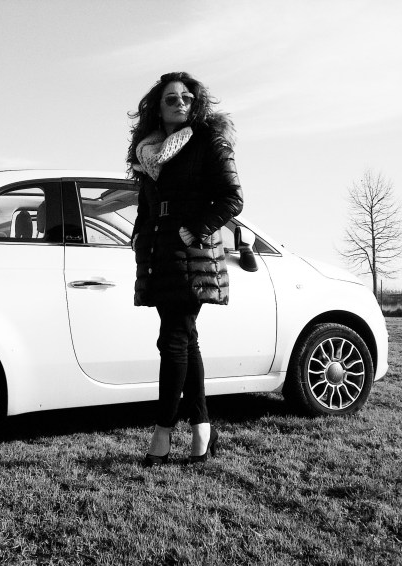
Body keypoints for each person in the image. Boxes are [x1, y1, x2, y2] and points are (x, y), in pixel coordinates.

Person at [128, 72, 244, 466]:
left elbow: (232, 199)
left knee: (173, 341)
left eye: (187, 98)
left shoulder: (208, 141)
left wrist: (193, 230)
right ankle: (202, 432)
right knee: (185, 340)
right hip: (159, 254)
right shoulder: (148, 151)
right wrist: (140, 234)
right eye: (171, 99)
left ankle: (162, 433)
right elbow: (147, 204)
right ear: (157, 107)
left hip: (192, 252)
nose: (180, 103)